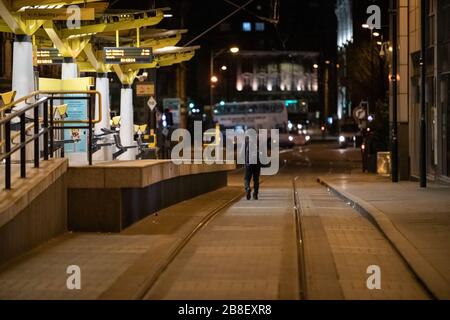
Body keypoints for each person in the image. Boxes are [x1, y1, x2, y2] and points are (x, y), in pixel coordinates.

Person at [241, 134, 261, 200]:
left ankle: (248, 188)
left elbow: (241, 154)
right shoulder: (258, 143)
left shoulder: (246, 143)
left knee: (246, 178)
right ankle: (255, 194)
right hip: (257, 164)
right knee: (256, 179)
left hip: (249, 164)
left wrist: (245, 161)